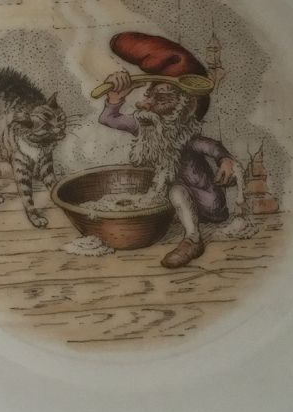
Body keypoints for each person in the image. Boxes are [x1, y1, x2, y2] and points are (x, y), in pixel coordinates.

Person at [99, 54, 241, 270]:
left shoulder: (186, 138)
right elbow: (108, 118)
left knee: (176, 189)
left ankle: (193, 240)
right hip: (174, 209)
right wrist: (115, 98)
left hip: (208, 206)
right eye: (149, 96)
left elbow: (212, 147)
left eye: (161, 99)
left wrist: (226, 160)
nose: (145, 104)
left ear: (185, 109)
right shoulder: (148, 126)